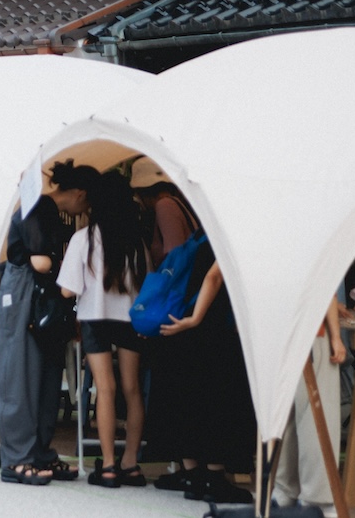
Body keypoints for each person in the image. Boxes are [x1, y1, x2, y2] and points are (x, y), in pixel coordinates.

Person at [0, 159, 89, 486]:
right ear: (79, 193)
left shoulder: (37, 207)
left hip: (33, 294)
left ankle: (36, 454)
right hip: (26, 293)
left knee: (36, 375)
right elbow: (40, 261)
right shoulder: (34, 209)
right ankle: (18, 459)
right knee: (24, 376)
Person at [151, 210, 257, 503]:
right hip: (212, 329)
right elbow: (215, 276)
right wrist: (197, 318)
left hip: (180, 327)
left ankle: (192, 473)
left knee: (189, 400)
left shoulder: (197, 239)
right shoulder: (228, 237)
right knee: (219, 402)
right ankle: (214, 476)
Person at [55, 169, 150, 488]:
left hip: (95, 319)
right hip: (131, 320)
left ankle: (108, 465)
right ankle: (131, 463)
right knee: (132, 389)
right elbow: (146, 283)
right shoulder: (136, 242)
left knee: (104, 389)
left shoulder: (84, 239)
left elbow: (67, 290)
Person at [273, 297, 347, 512]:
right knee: (318, 417)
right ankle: (317, 498)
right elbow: (325, 291)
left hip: (282, 330)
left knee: (290, 415)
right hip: (312, 331)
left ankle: (285, 489)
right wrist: (336, 337)